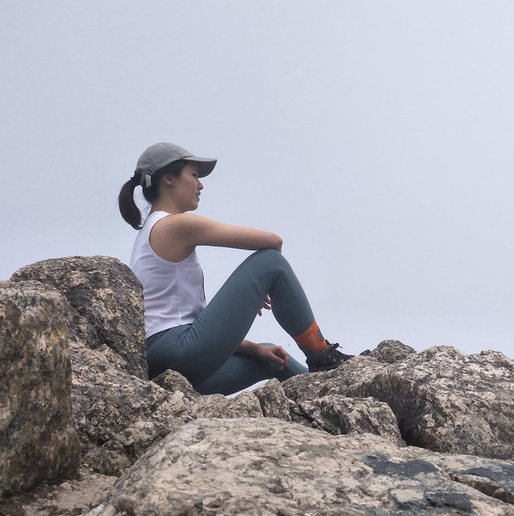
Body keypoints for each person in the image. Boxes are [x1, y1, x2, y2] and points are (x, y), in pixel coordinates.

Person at [118, 141, 352, 394]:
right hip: (178, 353)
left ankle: (326, 394)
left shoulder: (147, 235)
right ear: (169, 178)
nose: (200, 184)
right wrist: (266, 282)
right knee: (271, 262)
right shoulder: (175, 225)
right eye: (194, 175)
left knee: (271, 358)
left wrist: (253, 348)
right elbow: (273, 242)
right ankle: (322, 356)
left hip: (165, 364)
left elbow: (185, 323)